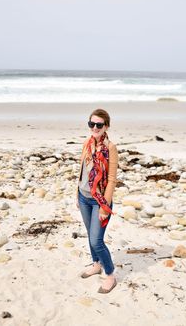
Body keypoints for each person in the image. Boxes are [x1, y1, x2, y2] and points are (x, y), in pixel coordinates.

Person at [76, 108, 118, 293]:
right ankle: (96, 264)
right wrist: (76, 193)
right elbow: (82, 170)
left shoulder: (110, 148)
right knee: (90, 234)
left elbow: (111, 180)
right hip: (83, 197)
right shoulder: (87, 143)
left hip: (99, 201)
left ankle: (110, 275)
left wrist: (104, 206)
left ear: (106, 126)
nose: (94, 127)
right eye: (91, 124)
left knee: (96, 241)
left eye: (99, 125)